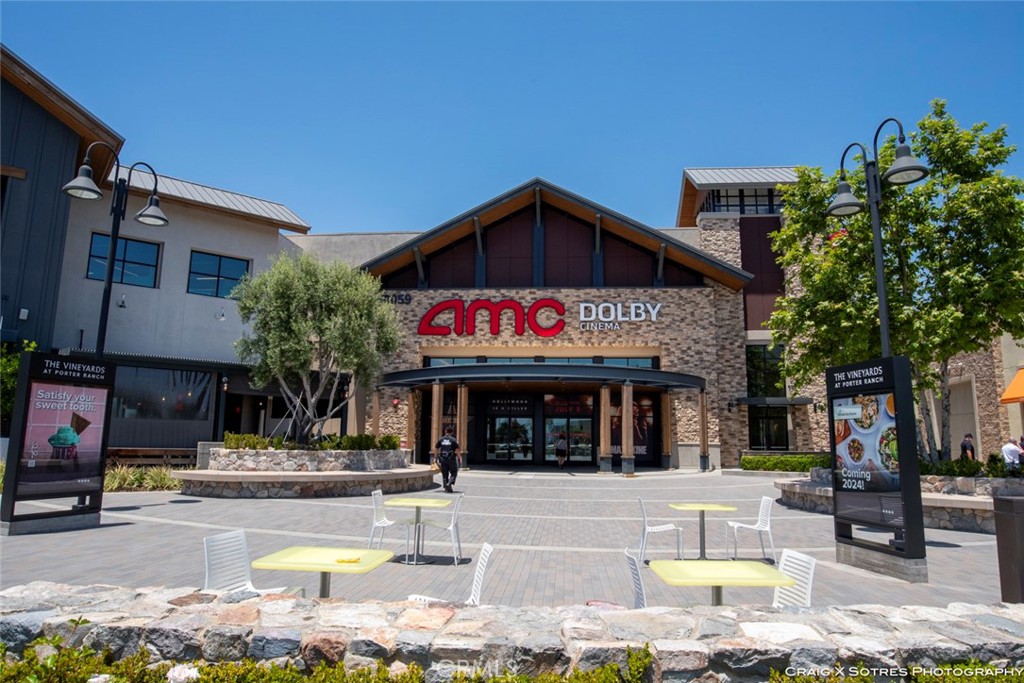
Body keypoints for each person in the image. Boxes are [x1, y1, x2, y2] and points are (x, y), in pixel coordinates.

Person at [435, 426, 461, 493]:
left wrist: (435, 457)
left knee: (444, 474)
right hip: (451, 458)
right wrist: (460, 458)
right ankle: (449, 483)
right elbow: (457, 449)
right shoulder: (453, 440)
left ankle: (446, 488)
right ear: (452, 432)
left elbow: (436, 448)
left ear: (445, 431)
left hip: (443, 458)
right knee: (454, 472)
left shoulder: (441, 439)